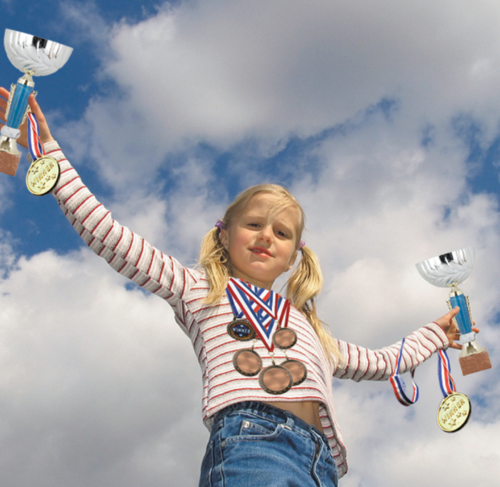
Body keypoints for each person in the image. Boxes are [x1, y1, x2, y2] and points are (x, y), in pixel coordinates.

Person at [0, 89, 469, 486]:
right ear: (225, 234)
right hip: (251, 441)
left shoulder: (313, 332)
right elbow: (109, 234)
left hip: (322, 464)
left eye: (281, 233)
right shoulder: (196, 288)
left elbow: (383, 361)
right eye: (254, 224)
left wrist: (436, 333)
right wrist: (47, 150)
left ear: (294, 254)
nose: (267, 236)